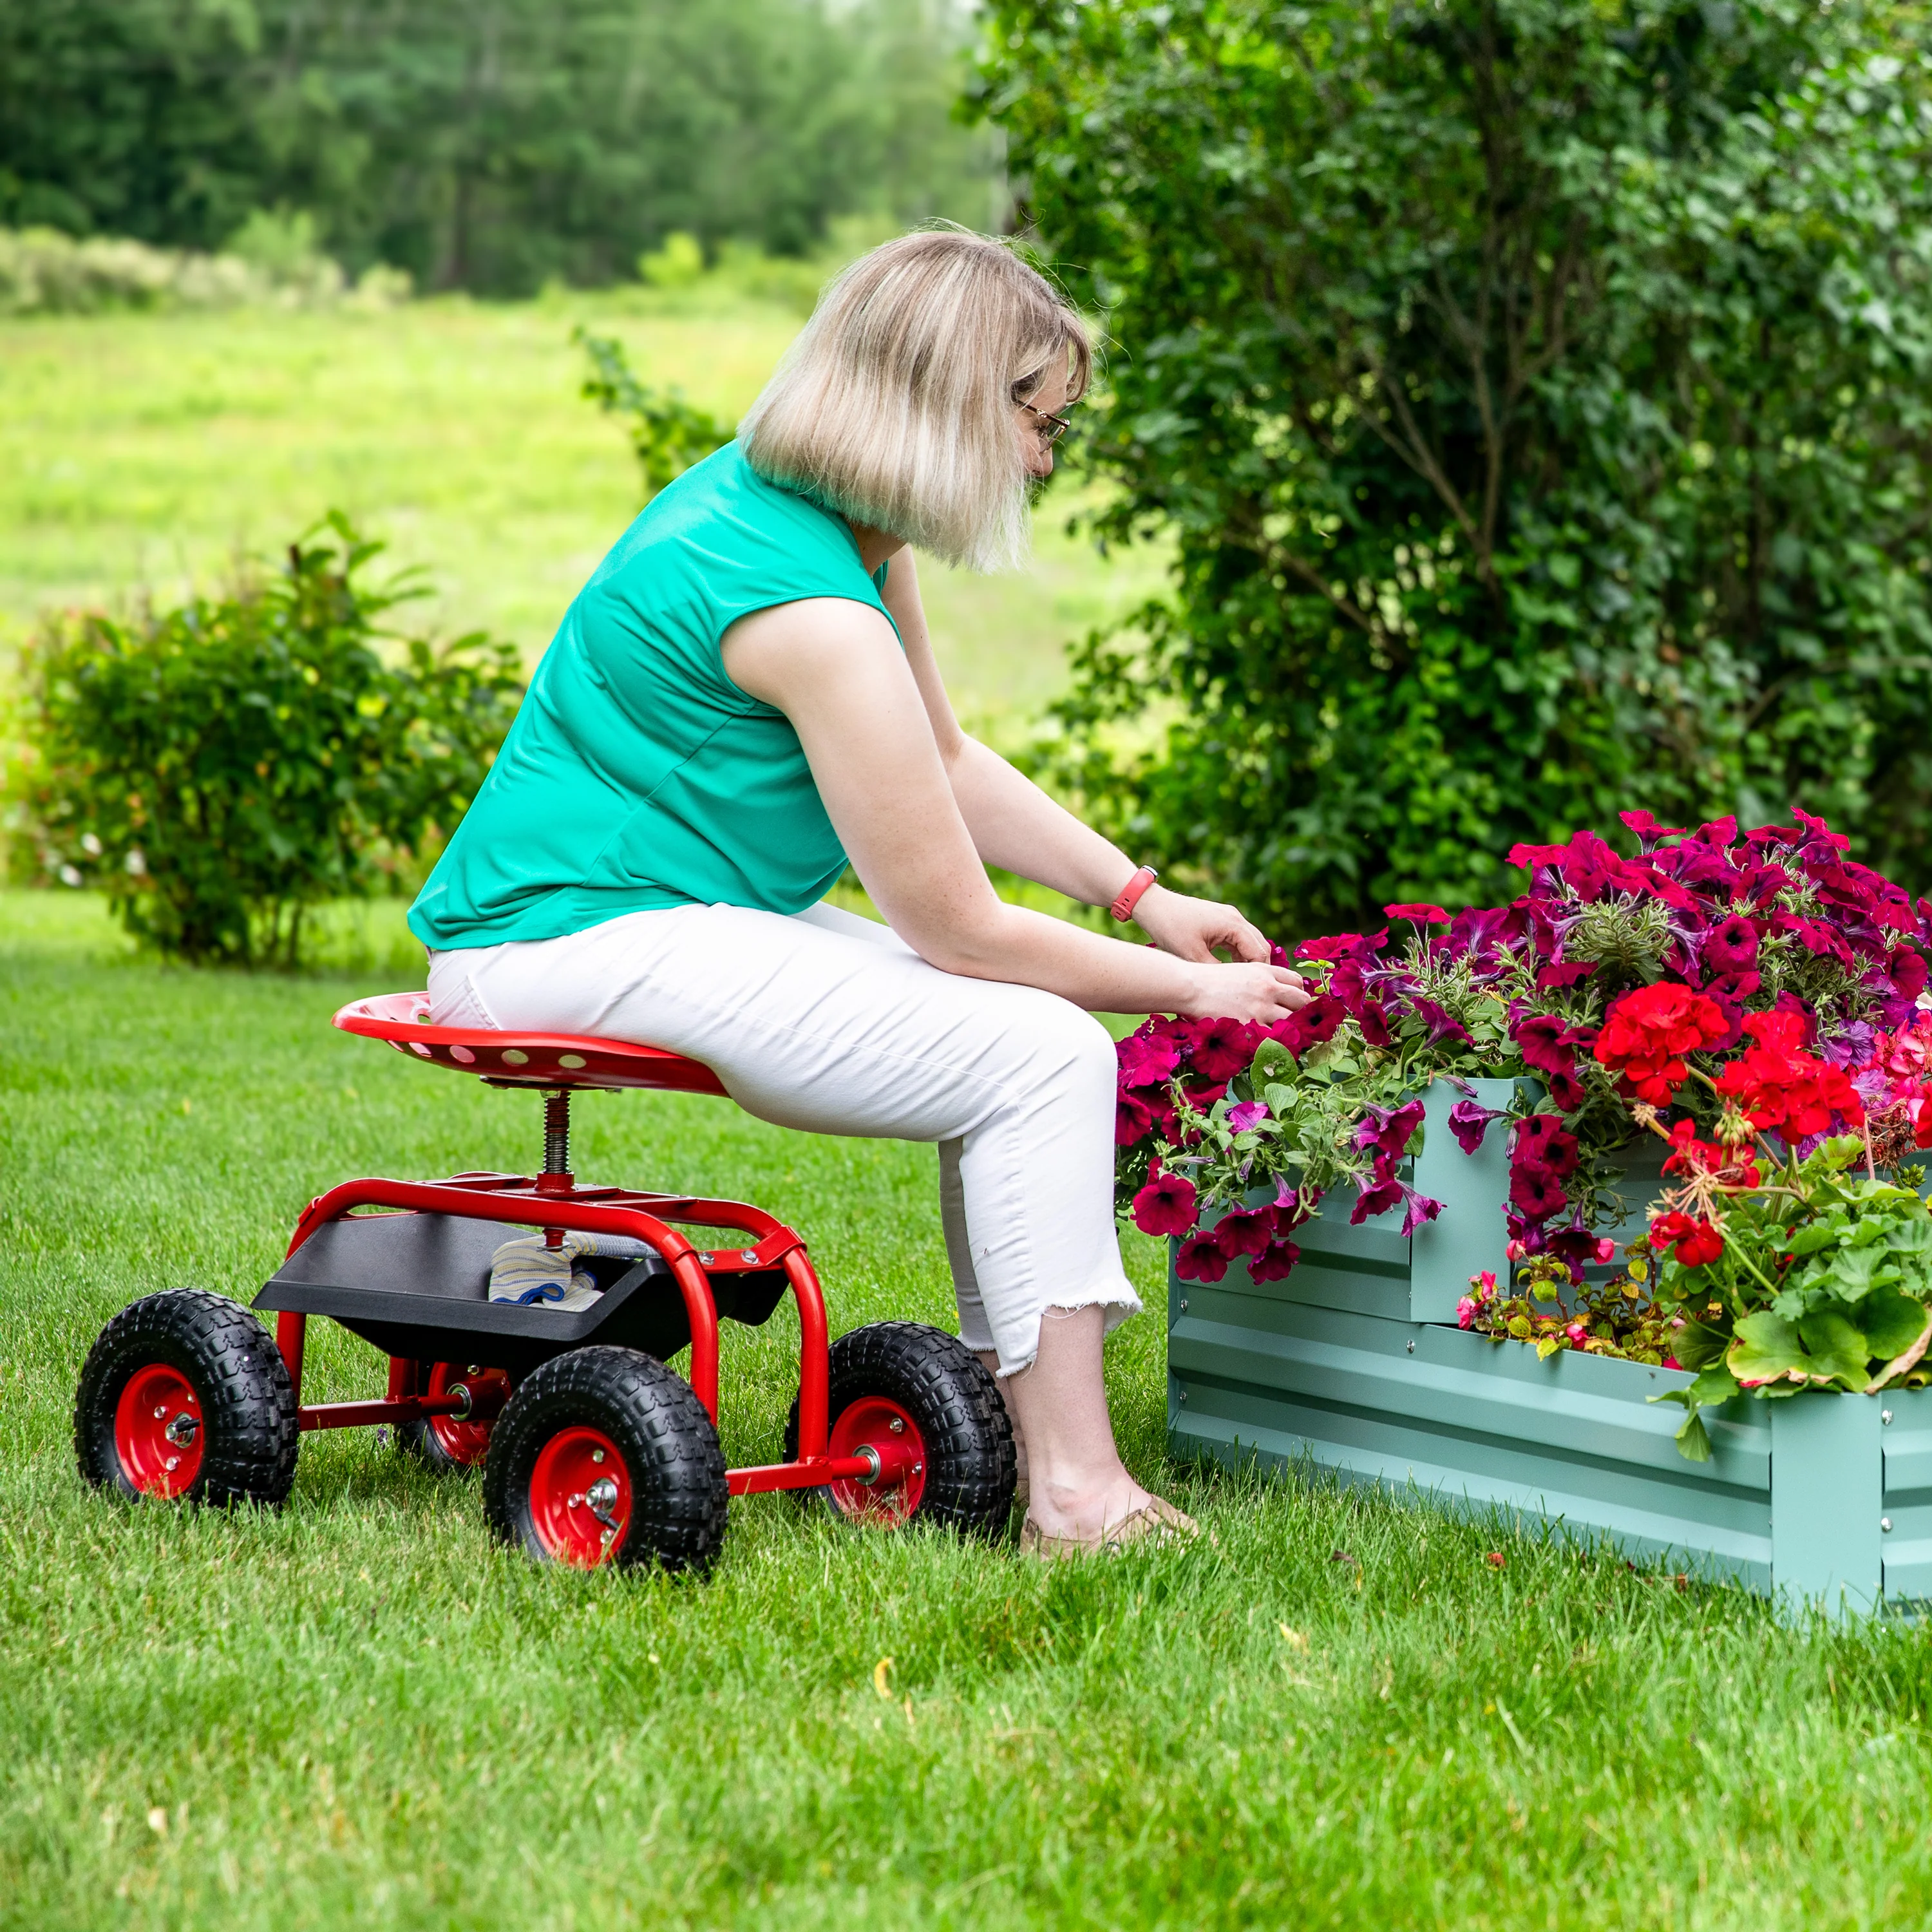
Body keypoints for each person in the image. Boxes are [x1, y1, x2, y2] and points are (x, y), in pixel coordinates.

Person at [408, 228, 1309, 1554]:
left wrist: (1139, 896)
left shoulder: (838, 535)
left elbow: (942, 758)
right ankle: (1074, 1492)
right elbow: (958, 927)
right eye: (1033, 418)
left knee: (1034, 1045)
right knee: (1046, 1053)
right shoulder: (808, 605)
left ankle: (1029, 1440)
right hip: (561, 940)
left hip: (657, 915)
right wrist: (1193, 990)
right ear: (944, 402)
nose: (1047, 457)